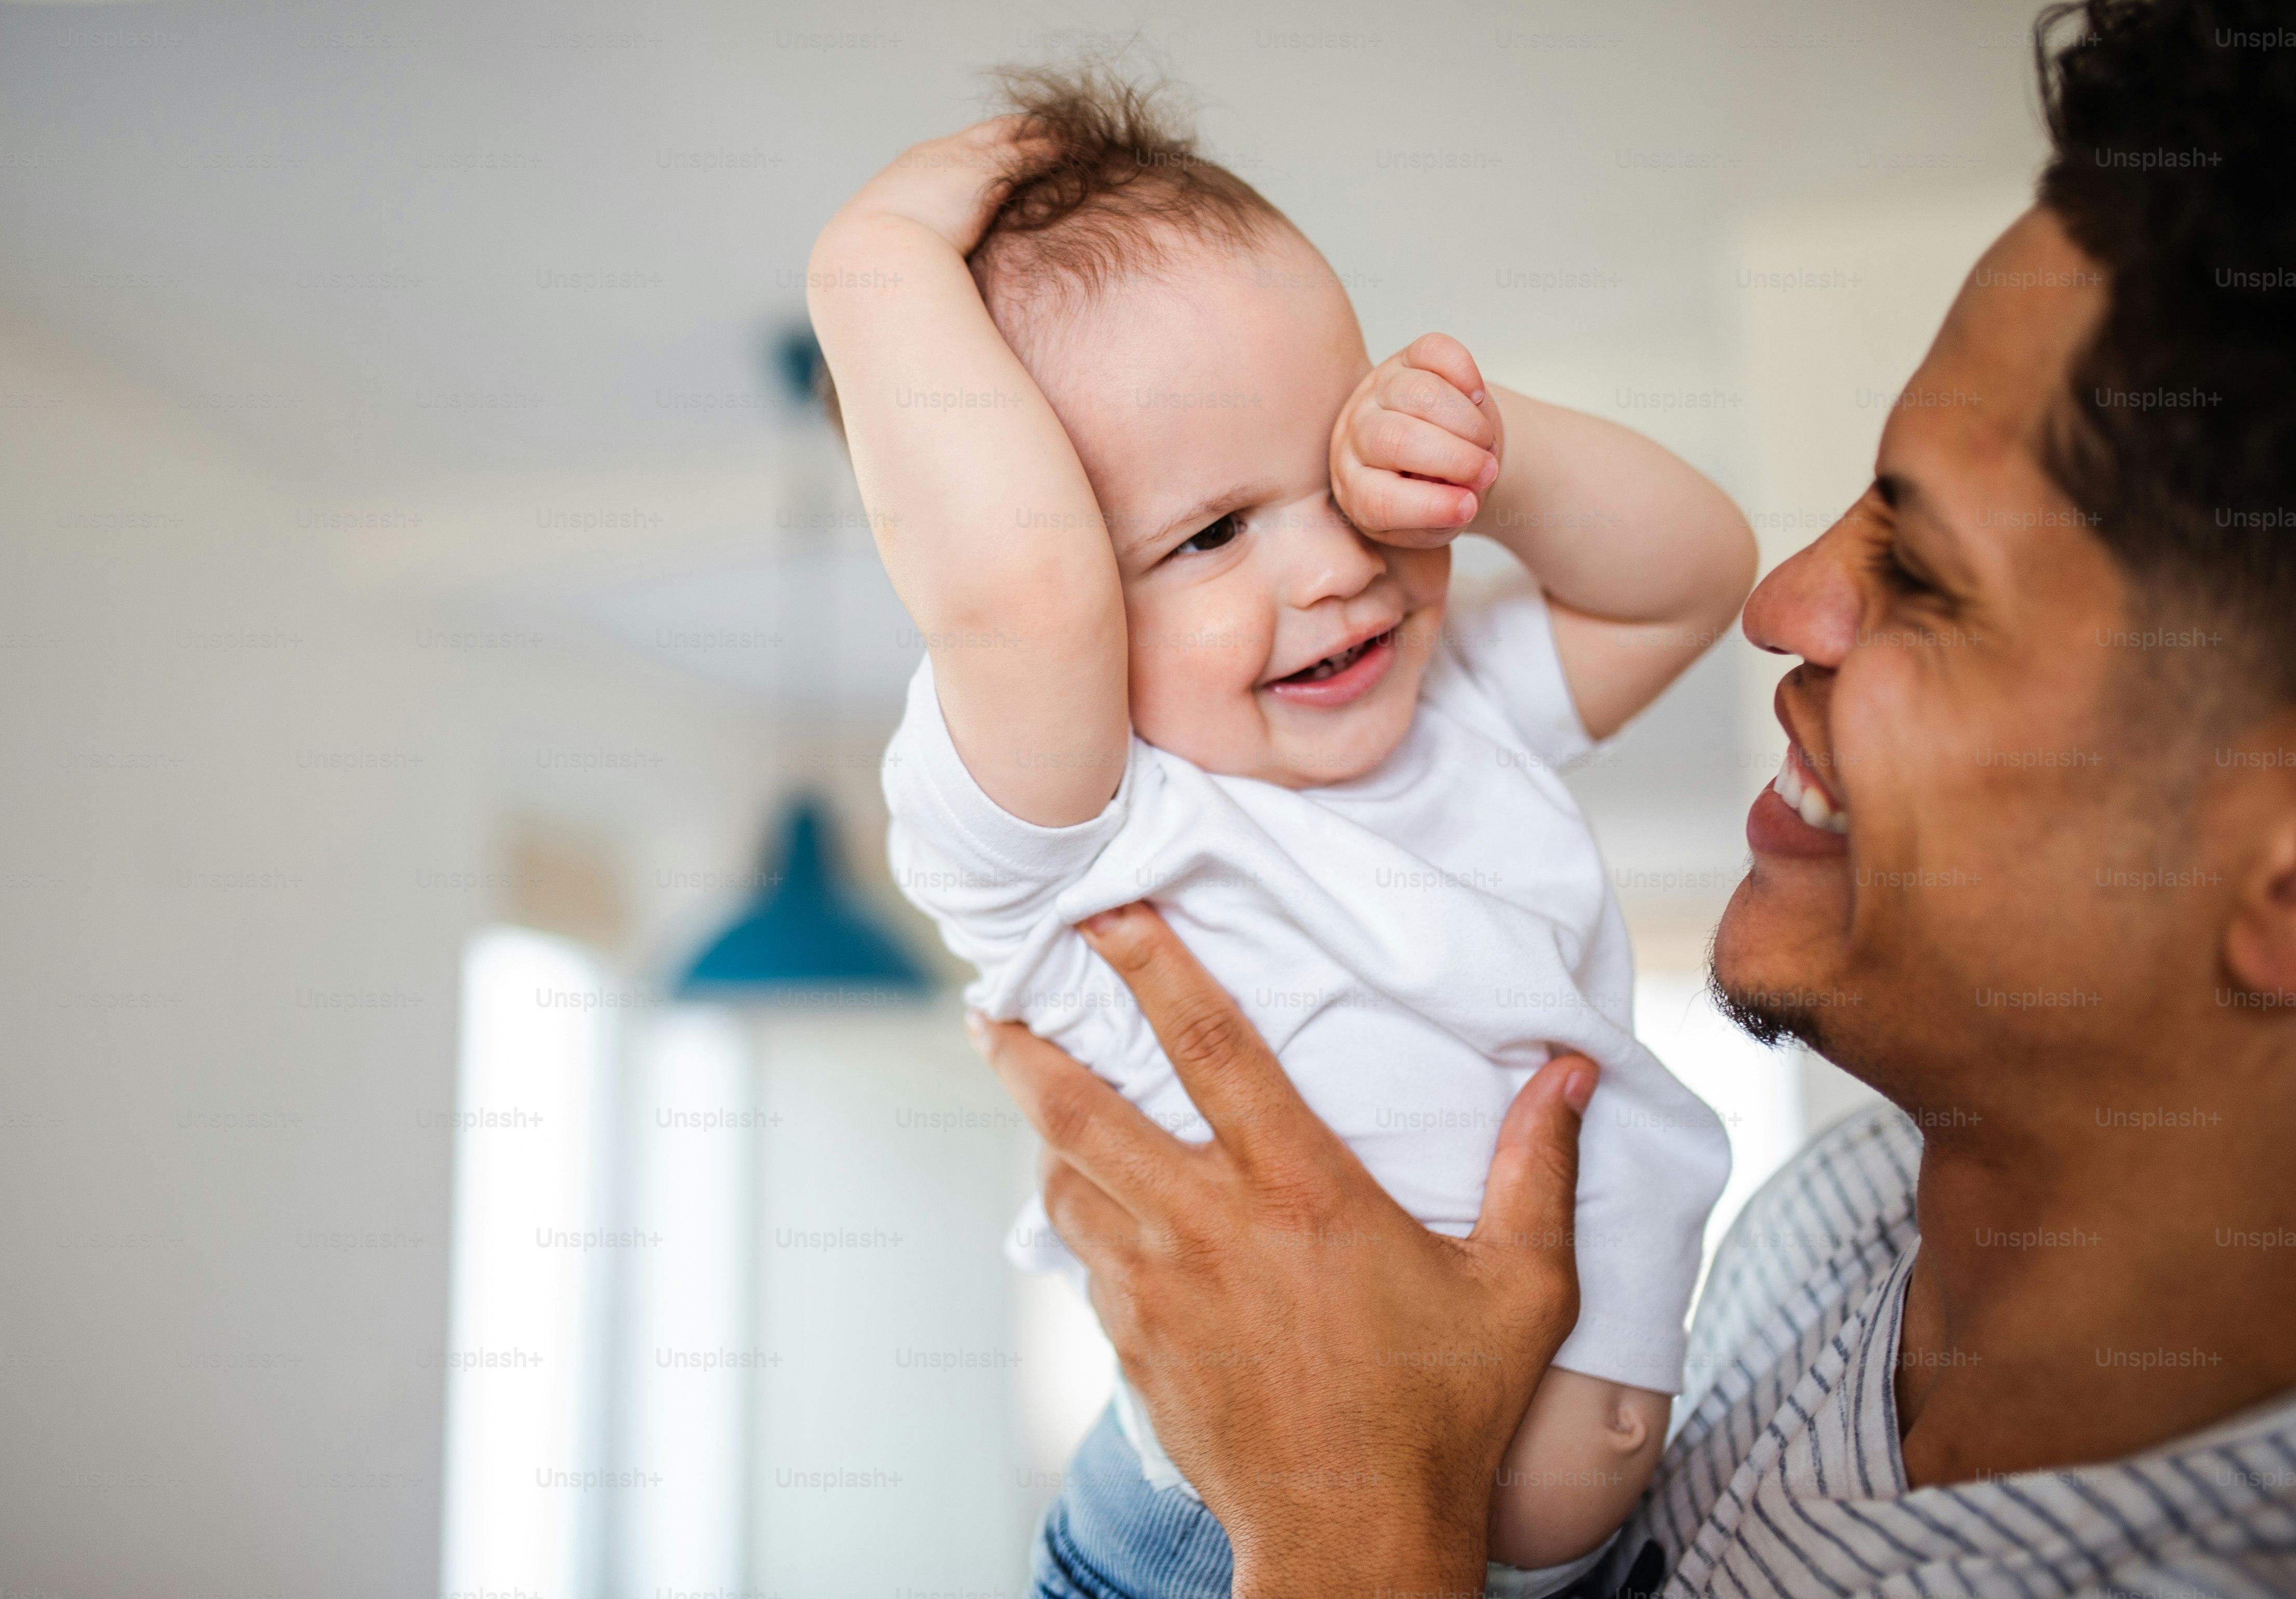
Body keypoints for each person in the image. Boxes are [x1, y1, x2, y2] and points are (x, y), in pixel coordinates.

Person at [971, 1, 2296, 1594]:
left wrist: (1350, 1525)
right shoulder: (1852, 1226)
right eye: (1210, 535)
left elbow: (1670, 581)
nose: (1791, 600)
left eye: (1927, 577)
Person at [806, 62, 1755, 1594]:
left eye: (1343, 470)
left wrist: (1483, 455)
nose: (1338, 565)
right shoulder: (1081, 823)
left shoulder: (1460, 710)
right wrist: (870, 270)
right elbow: (1024, 590)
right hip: (1216, 1549)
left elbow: (1695, 570)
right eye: (1211, 532)